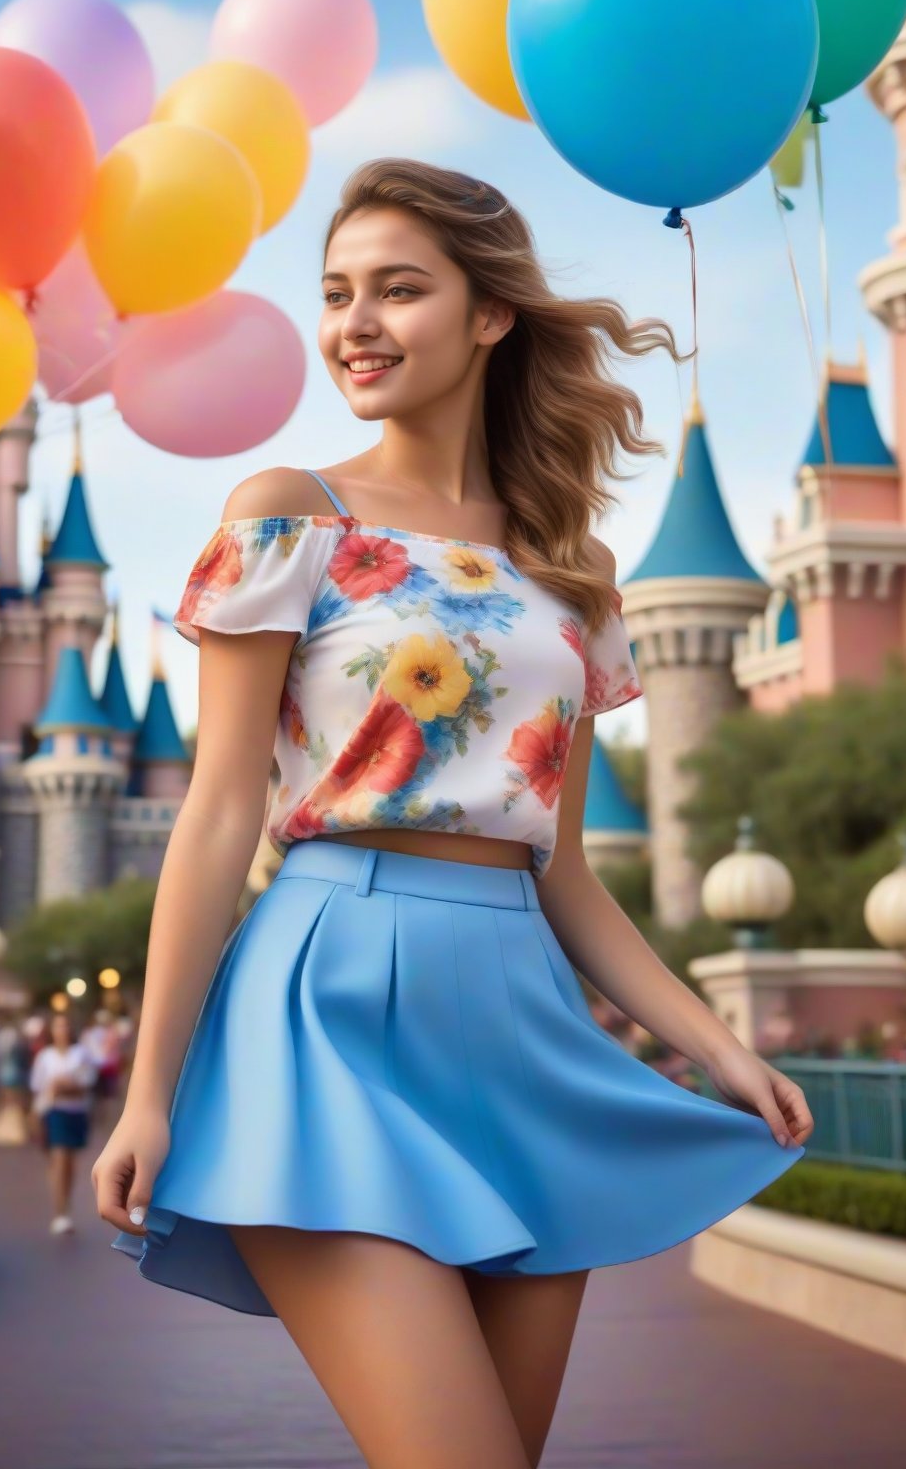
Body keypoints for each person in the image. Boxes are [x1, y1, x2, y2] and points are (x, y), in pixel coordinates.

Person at [93, 158, 814, 1469]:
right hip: (328, 1008)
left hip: (525, 1034)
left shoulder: (572, 568)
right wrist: (150, 1093)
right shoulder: (288, 516)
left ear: (490, 314)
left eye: (400, 290)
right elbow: (215, 821)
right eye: (336, 293)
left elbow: (570, 875)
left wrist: (717, 1046)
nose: (356, 324)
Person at [30, 1012, 97, 1235]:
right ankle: (59, 1212)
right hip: (54, 1112)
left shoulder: (81, 1054)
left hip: (75, 1112)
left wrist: (67, 1086)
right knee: (58, 1159)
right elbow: (40, 1088)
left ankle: (66, 1204)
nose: (62, 1030)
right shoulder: (45, 1057)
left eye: (66, 1025)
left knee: (69, 1162)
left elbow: (87, 1083)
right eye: (58, 1026)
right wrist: (36, 1115)